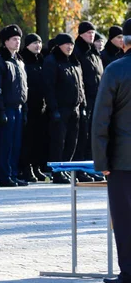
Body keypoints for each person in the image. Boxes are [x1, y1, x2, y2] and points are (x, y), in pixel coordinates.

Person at [92, 18, 131, 283]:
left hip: (121, 158)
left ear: (125, 41)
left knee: (124, 217)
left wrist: (101, 161)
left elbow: (101, 119)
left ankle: (129, 270)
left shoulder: (116, 70)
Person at [43, 33, 85, 184]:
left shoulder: (74, 61)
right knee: (58, 142)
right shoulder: (52, 61)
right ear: (59, 45)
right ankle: (57, 172)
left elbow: (80, 85)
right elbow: (49, 87)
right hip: (60, 109)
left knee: (71, 142)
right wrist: (53, 109)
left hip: (75, 108)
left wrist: (83, 104)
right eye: (67, 44)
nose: (70, 47)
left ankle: (65, 169)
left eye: (72, 45)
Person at [0, 24, 28, 187]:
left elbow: (23, 86)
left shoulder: (19, 60)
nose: (17, 42)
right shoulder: (0, 61)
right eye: (14, 39)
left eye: (19, 39)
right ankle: (5, 175)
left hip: (19, 107)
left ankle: (13, 173)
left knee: (16, 143)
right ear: (5, 42)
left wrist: (25, 108)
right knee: (5, 143)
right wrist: (0, 110)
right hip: (6, 107)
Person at [73, 21, 104, 182]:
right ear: (81, 34)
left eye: (93, 33)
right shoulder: (77, 51)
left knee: (92, 135)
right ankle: (80, 170)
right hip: (85, 99)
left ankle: (91, 168)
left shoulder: (93, 52)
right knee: (82, 136)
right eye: (88, 33)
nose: (91, 35)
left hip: (97, 98)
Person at [19, 33, 49, 182]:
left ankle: (36, 166)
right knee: (28, 139)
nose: (38, 45)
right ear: (27, 45)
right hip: (28, 105)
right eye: (34, 43)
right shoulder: (23, 59)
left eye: (40, 42)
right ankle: (27, 167)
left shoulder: (42, 60)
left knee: (39, 138)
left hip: (41, 106)